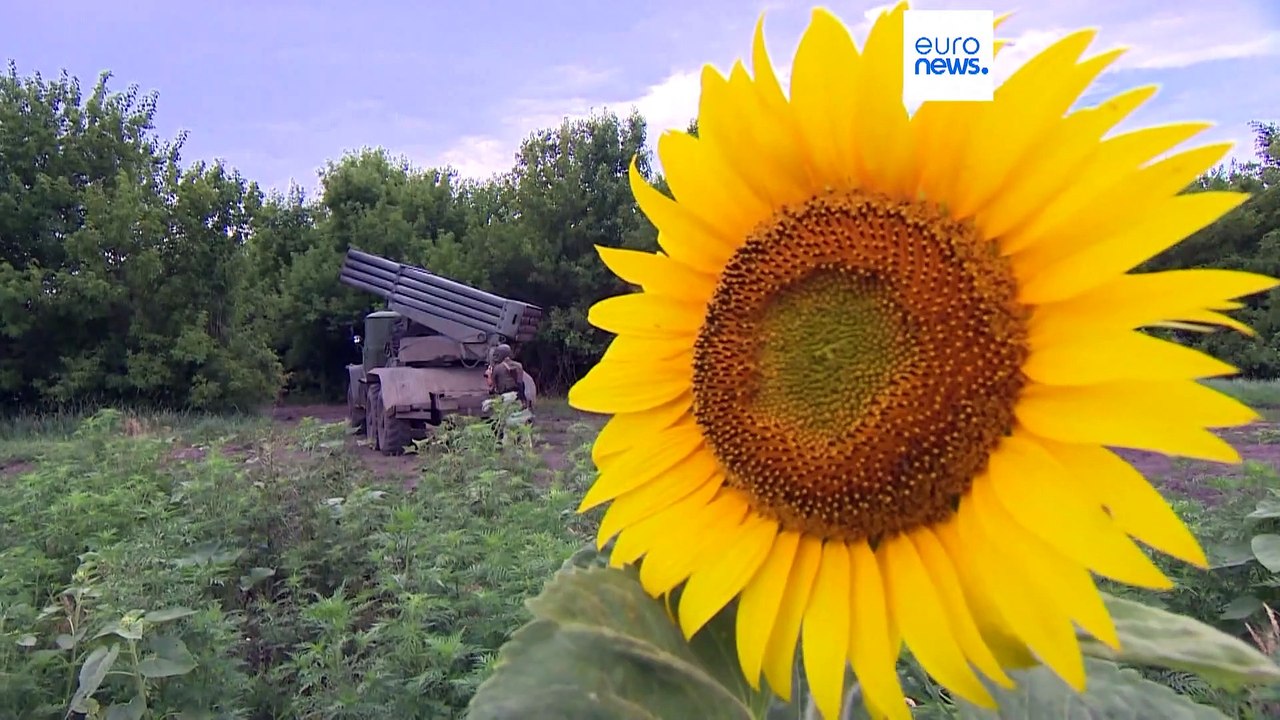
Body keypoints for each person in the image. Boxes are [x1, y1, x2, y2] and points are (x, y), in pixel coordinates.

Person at [487, 343, 528, 409]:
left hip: (504, 396)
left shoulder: (497, 368)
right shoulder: (519, 365)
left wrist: (489, 375)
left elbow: (492, 386)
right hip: (518, 396)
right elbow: (520, 382)